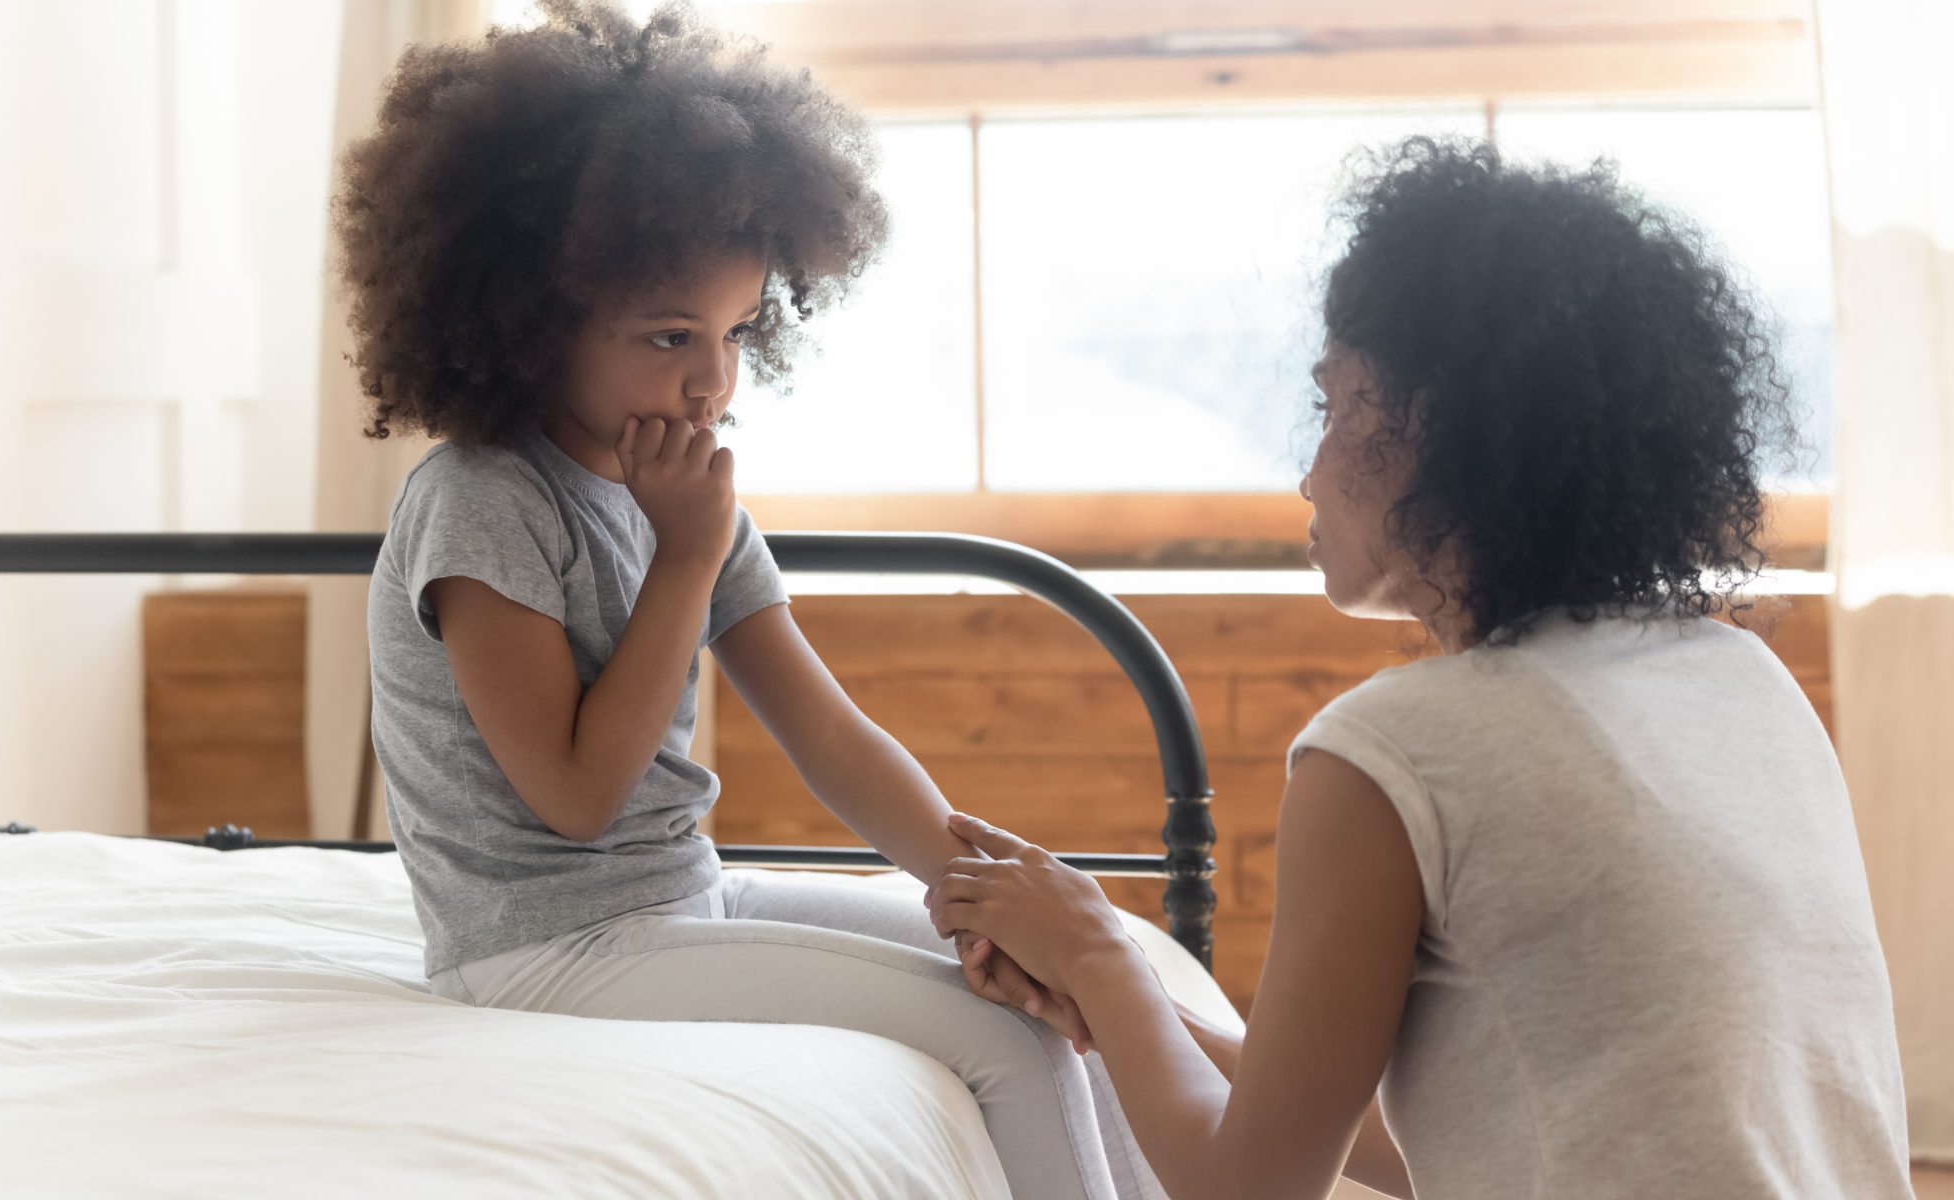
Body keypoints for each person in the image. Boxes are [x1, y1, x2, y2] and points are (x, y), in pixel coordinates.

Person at [926, 137, 1914, 1200]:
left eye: (1338, 409)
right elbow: (1463, 1134)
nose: (1307, 472)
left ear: (1443, 431)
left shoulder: (1395, 748)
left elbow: (1247, 1188)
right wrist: (1128, 1016)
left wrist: (1098, 954)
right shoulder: (1739, 680)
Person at [343, 3, 1161, 1196]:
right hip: (534, 951)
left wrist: (972, 887)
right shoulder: (483, 503)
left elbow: (827, 734)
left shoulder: (680, 485)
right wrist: (682, 558)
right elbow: (574, 798)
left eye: (735, 331)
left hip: (679, 894)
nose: (712, 377)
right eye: (670, 334)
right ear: (528, 323)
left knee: (1079, 977)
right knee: (1002, 1036)